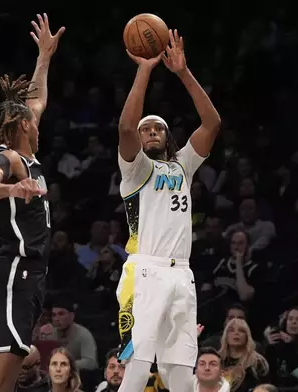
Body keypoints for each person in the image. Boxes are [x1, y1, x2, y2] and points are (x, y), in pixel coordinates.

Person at [115, 28, 221, 392]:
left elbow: (212, 124)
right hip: (145, 270)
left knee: (179, 366)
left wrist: (182, 73)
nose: (152, 132)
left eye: (159, 128)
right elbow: (126, 125)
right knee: (138, 362)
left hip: (182, 274)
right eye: (147, 130)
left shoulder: (182, 167)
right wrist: (145, 69)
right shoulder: (135, 170)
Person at [0, 13, 65, 392]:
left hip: (22, 277)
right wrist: (12, 189)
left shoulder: (27, 158)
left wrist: (44, 57)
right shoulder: (6, 159)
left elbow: (37, 99)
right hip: (15, 273)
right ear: (24, 125)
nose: (39, 123)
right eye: (34, 121)